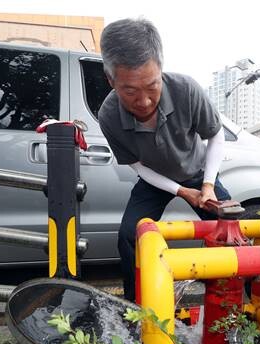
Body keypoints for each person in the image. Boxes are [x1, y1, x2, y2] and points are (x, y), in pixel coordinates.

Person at [98, 18, 231, 302]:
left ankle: (235, 306)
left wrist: (207, 185)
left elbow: (216, 136)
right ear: (111, 80)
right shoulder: (108, 115)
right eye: (130, 91)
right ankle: (136, 308)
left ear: (161, 68)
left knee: (231, 228)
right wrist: (182, 192)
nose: (144, 101)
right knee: (129, 236)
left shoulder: (186, 89)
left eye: (152, 85)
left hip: (198, 171)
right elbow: (138, 167)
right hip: (154, 178)